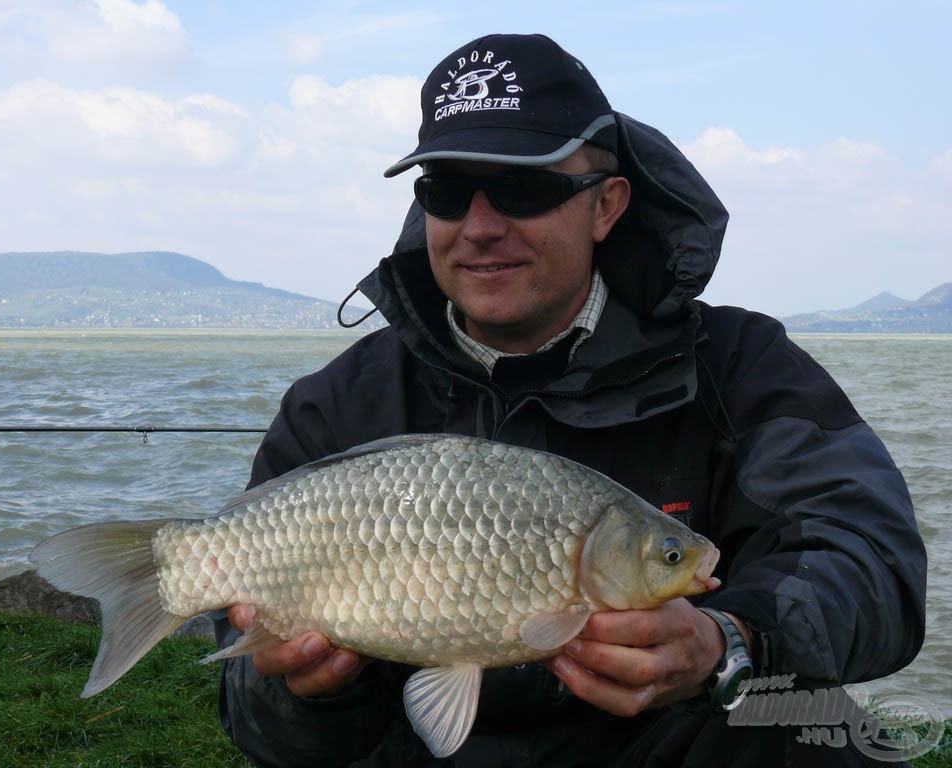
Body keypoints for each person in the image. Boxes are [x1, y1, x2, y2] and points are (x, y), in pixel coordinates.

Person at [213, 34, 926, 767]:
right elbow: (258, 723)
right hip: (430, 751)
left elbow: (875, 562)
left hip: (672, 743)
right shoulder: (334, 407)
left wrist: (729, 639)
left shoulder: (740, 369)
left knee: (826, 729)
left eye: (525, 188)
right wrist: (310, 691)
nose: (482, 226)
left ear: (607, 206)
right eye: (448, 192)